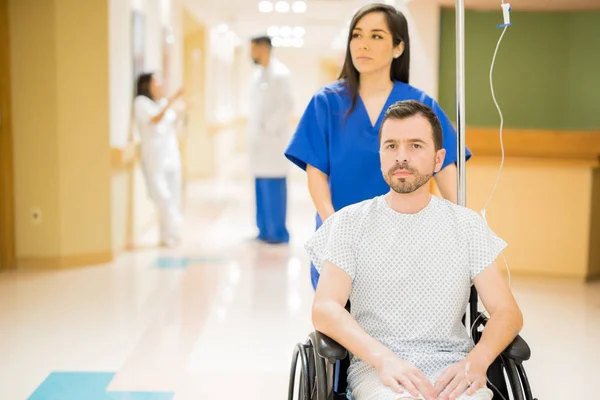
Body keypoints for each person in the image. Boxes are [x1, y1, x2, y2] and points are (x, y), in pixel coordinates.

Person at [307, 100, 523, 400]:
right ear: (380, 155)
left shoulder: (467, 226)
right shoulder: (349, 223)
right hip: (378, 370)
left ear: (438, 159)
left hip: (454, 368)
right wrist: (382, 359)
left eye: (416, 146)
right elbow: (325, 308)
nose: (402, 157)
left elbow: (507, 312)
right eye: (391, 146)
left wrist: (478, 359)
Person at [284, 3, 472, 289]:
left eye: (376, 36)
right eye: (357, 35)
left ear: (398, 47)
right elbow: (316, 173)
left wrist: (464, 229)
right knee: (338, 323)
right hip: (340, 238)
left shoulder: (419, 104)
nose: (363, 45)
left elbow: (445, 167)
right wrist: (333, 226)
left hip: (405, 239)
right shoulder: (326, 102)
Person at [248, 35, 294, 244]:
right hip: (259, 144)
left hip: (273, 142)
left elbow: (287, 105)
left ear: (263, 48)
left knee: (273, 187)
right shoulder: (258, 76)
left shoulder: (281, 74)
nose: (251, 54)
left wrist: (268, 128)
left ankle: (277, 233)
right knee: (260, 187)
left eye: (253, 49)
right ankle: (263, 230)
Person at [134, 72, 185, 247]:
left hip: (171, 158)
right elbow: (155, 119)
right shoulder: (141, 103)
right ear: (146, 85)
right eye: (157, 81)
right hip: (154, 160)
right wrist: (173, 99)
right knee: (163, 198)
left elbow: (172, 120)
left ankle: (167, 237)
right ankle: (173, 231)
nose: (161, 84)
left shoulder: (162, 103)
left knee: (174, 198)